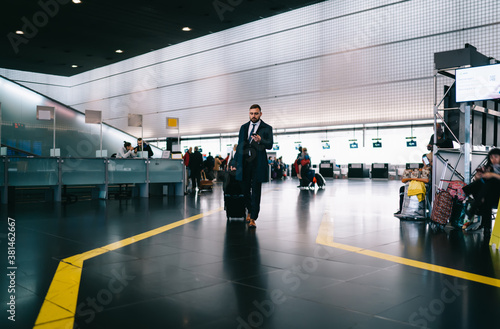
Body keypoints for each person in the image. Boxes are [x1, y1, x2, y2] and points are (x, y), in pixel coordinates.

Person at [235, 104, 273, 228]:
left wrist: (260, 140)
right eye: (251, 113)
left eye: (256, 113)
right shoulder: (244, 127)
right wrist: (234, 163)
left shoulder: (267, 128)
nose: (253, 116)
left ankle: (253, 218)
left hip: (258, 164)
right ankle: (249, 210)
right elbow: (239, 145)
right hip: (245, 163)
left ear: (260, 114)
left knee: (256, 191)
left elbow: (270, 145)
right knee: (245, 189)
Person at [462, 148, 500, 235]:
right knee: (482, 185)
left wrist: (492, 175)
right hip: (489, 195)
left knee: (490, 182)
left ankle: (474, 205)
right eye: (491, 157)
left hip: (498, 196)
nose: (493, 159)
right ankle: (486, 228)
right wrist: (479, 176)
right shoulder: (489, 167)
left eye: (496, 157)